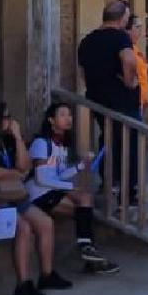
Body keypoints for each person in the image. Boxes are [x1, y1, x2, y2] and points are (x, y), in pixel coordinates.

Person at [0, 100, 70, 295]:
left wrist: (18, 137)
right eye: (5, 117)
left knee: (45, 223)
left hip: (13, 194)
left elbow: (25, 165)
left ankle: (47, 275)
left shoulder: (6, 139)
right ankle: (23, 284)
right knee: (23, 227)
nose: (9, 120)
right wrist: (15, 173)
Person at [27, 103, 120, 276]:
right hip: (38, 194)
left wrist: (79, 167)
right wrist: (71, 186)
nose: (68, 118)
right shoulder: (41, 143)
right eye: (62, 115)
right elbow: (41, 178)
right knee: (84, 203)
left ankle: (88, 252)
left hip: (51, 190)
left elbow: (58, 175)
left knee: (85, 205)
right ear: (51, 120)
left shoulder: (62, 146)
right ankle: (87, 250)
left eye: (69, 115)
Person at [77, 0, 140, 207]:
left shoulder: (87, 41)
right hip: (121, 102)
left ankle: (109, 183)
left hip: (98, 100)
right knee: (126, 144)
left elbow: (83, 73)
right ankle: (128, 192)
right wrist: (130, 82)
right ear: (121, 18)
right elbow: (129, 60)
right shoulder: (120, 38)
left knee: (107, 140)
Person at [128, 14, 148, 114]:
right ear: (127, 29)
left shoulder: (136, 49)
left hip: (139, 102)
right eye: (137, 27)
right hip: (131, 103)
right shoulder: (126, 51)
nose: (140, 32)